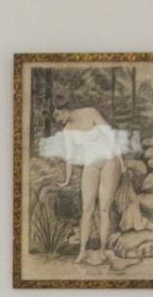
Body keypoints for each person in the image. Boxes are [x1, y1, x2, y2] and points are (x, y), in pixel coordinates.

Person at [40, 102, 133, 263]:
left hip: (110, 160)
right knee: (87, 209)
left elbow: (110, 135)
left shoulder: (91, 112)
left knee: (104, 208)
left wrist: (121, 162)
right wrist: (67, 180)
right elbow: (69, 157)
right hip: (91, 163)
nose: (58, 120)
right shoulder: (67, 130)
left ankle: (102, 251)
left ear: (63, 109)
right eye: (55, 118)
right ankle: (82, 251)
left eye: (57, 115)